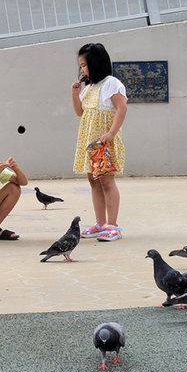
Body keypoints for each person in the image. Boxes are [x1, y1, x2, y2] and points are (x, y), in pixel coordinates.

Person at [71, 43, 128, 242]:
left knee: (106, 182)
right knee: (93, 181)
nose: (82, 70)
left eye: (84, 65)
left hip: (103, 143)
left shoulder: (111, 83)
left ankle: (113, 226)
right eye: (80, 66)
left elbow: (122, 108)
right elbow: (80, 112)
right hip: (90, 143)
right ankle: (100, 223)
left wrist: (111, 133)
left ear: (96, 63)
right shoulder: (89, 88)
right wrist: (75, 94)